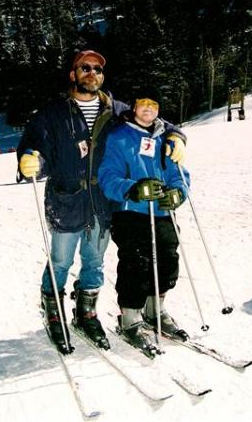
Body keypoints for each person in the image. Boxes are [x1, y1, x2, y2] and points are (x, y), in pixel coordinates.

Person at [17, 50, 187, 354]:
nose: (91, 72)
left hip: (101, 201)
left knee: (94, 260)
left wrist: (176, 136)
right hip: (67, 197)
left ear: (102, 76)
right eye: (84, 68)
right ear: (73, 74)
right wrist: (31, 159)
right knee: (61, 260)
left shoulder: (116, 109)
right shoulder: (54, 112)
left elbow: (153, 121)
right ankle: (52, 309)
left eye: (97, 68)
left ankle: (86, 312)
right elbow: (34, 143)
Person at [98, 89, 190, 355]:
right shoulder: (119, 136)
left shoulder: (165, 139)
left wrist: (177, 192)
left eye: (153, 104)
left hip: (161, 212)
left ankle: (156, 310)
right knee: (136, 262)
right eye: (143, 104)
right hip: (130, 210)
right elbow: (107, 175)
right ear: (134, 107)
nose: (148, 109)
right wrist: (133, 188)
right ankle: (130, 318)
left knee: (167, 258)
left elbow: (179, 174)